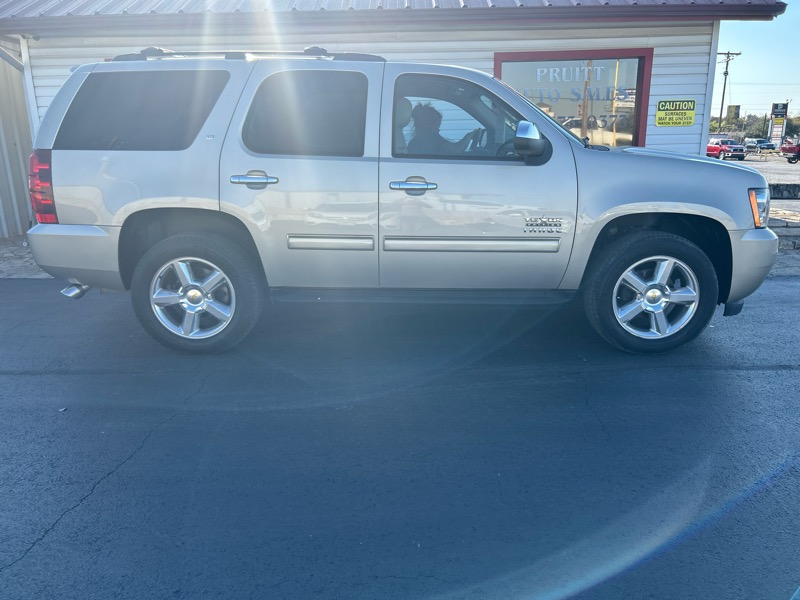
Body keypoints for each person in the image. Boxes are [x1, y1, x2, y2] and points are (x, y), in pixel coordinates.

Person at [407, 103, 478, 155]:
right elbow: (457, 149)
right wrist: (469, 136)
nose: (438, 130)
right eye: (436, 127)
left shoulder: (414, 142)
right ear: (426, 124)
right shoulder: (431, 138)